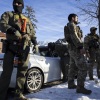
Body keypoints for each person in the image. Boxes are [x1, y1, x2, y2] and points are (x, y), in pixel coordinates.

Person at [0, 0, 38, 100]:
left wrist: (35, 43)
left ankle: (18, 94)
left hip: (24, 48)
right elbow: (2, 24)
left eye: (19, 3)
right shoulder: (8, 14)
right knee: (6, 73)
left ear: (23, 5)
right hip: (11, 46)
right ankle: (1, 95)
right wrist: (13, 30)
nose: (17, 5)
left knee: (22, 72)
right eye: (15, 3)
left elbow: (32, 33)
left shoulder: (27, 19)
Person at [65, 13, 92, 94]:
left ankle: (71, 84)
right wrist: (80, 47)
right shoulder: (72, 25)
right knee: (83, 67)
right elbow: (74, 36)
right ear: (73, 18)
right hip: (76, 49)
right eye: (77, 17)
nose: (77, 19)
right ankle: (80, 87)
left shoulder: (70, 25)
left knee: (72, 67)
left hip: (72, 49)